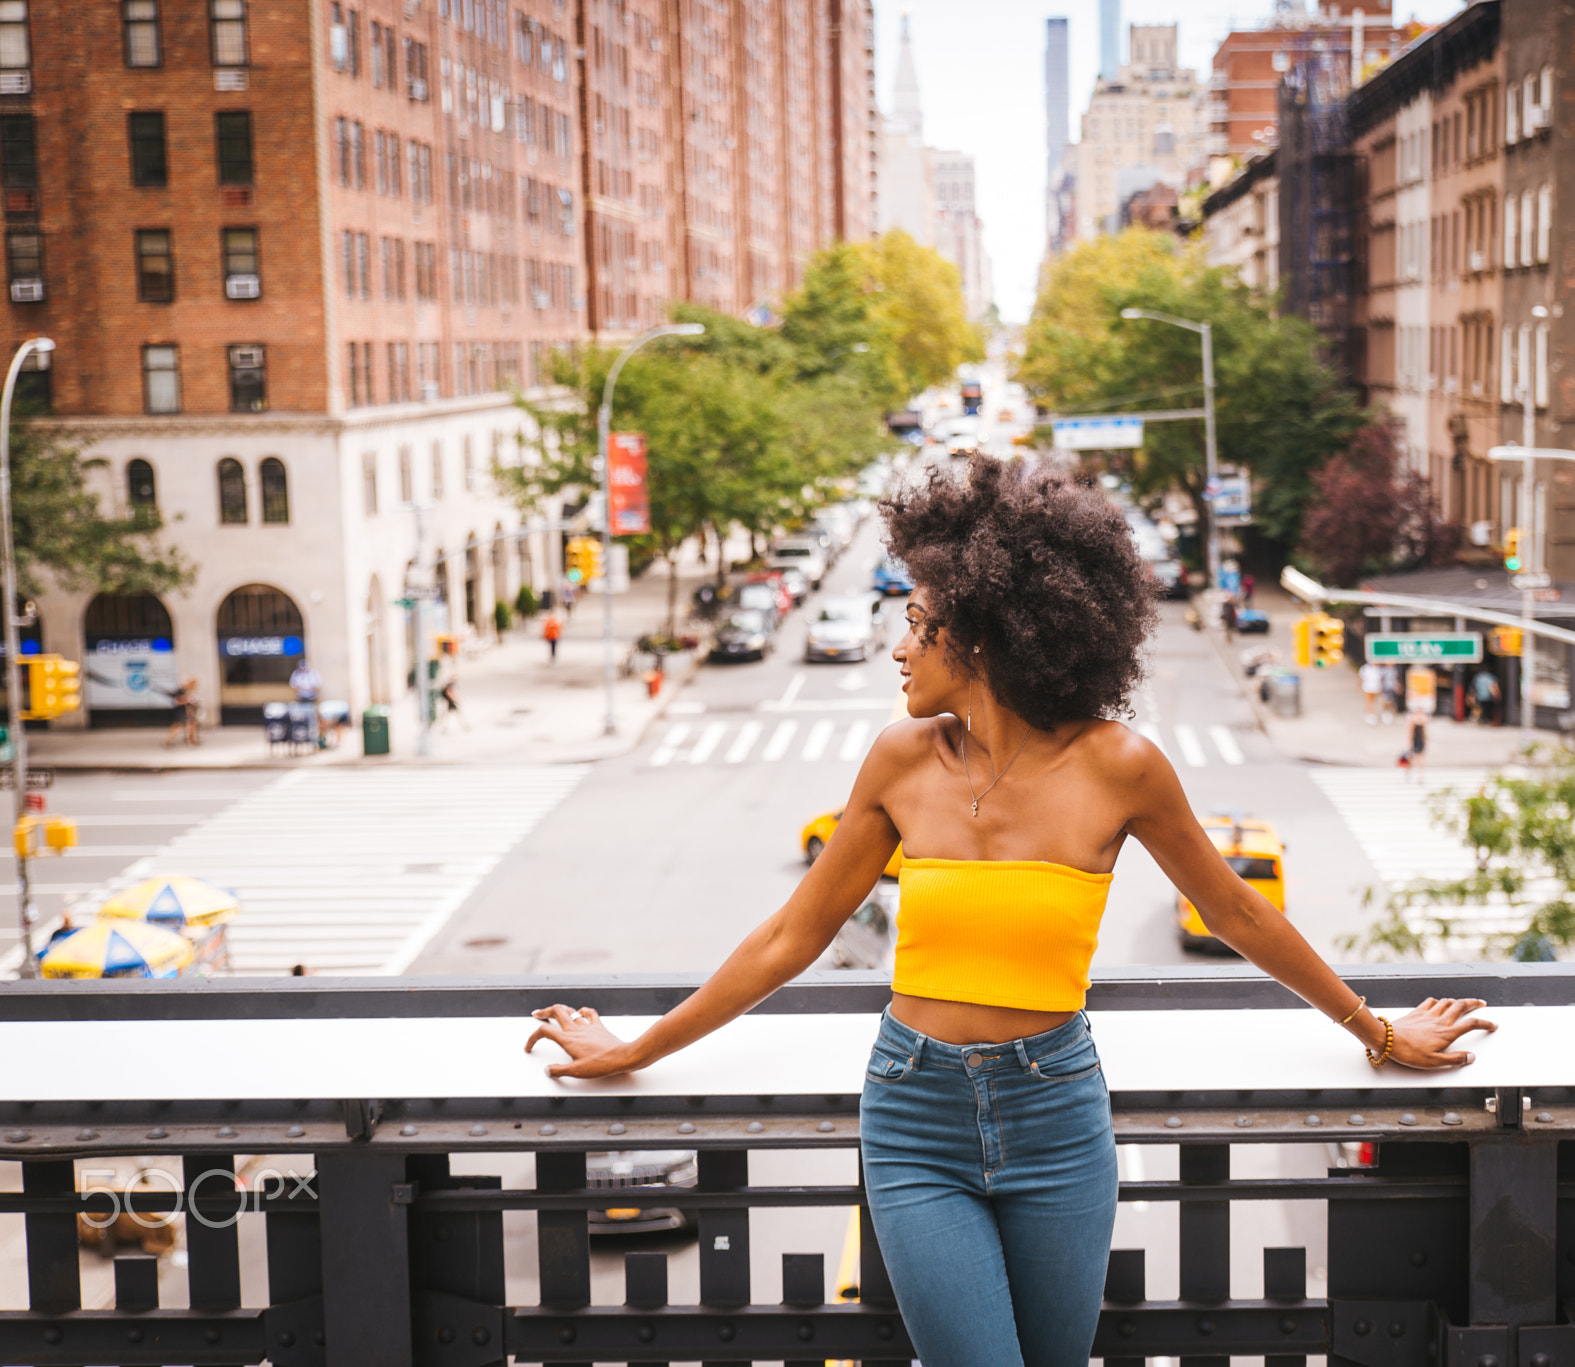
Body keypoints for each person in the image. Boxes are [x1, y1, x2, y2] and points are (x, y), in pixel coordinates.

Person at [523, 455, 1495, 1367]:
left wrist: (1372, 1028)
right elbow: (790, 935)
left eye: (916, 619)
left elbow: (1235, 912)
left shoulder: (1119, 766)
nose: (898, 645)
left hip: (1056, 1116)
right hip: (915, 1114)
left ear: (981, 632)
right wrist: (636, 1048)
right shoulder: (899, 761)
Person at [164, 678, 200, 748]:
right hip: (181, 711)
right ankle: (168, 740)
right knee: (178, 727)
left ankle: (191, 741)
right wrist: (187, 701)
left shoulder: (187, 691)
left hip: (187, 711)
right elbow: (178, 702)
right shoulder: (180, 691)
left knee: (190, 726)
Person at [1359, 658, 1384, 724]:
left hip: (1376, 688)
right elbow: (1361, 678)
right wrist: (1359, 687)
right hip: (1367, 687)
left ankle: (1372, 714)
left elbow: (1380, 679)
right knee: (1369, 702)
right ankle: (1368, 714)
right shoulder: (1365, 668)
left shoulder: (1379, 669)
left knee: (1374, 702)